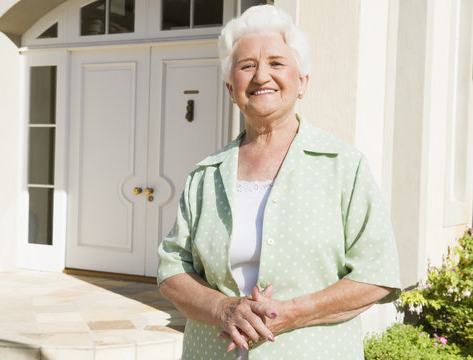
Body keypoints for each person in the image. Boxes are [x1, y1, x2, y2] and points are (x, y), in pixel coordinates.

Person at [157, 5, 401, 360]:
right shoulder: (205, 174)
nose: (261, 76)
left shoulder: (343, 165)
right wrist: (222, 307)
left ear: (302, 81)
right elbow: (171, 269)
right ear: (230, 87)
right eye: (247, 66)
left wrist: (292, 313)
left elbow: (377, 273)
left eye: (276, 62)